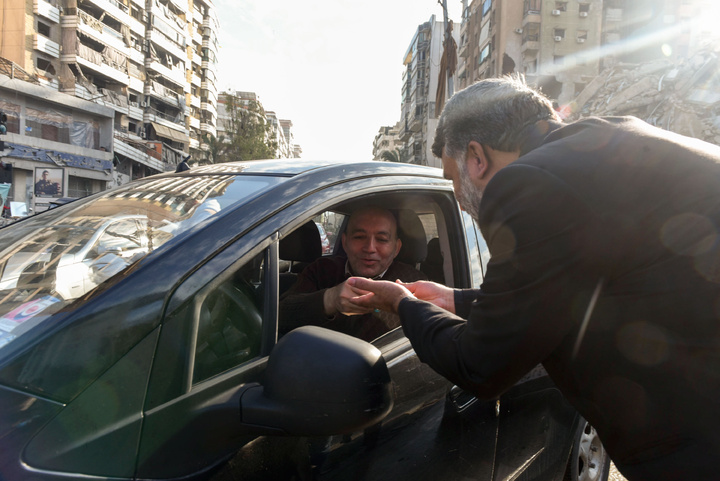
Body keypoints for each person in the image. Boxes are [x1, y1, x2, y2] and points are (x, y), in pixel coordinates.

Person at [346, 75, 720, 480]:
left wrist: (402, 304)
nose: (461, 199)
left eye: (453, 181)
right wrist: (454, 299)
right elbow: (568, 287)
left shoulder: (528, 182)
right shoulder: (610, 139)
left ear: (476, 157)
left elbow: (482, 367)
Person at [279, 206, 426, 342]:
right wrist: (329, 299)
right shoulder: (321, 270)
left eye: (382, 239)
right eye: (359, 237)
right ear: (345, 242)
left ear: (396, 248)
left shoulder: (415, 284)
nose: (370, 248)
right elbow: (280, 317)